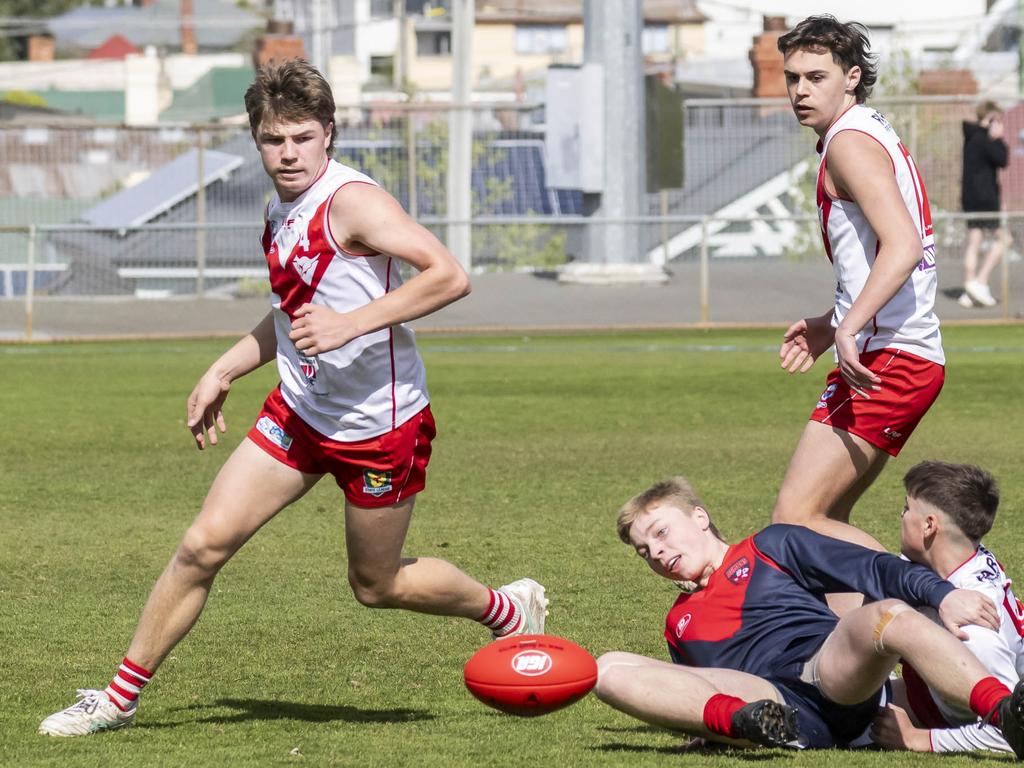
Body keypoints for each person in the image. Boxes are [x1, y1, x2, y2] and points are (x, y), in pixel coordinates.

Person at [38, 59, 547, 738]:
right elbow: (291, 314)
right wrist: (226, 368)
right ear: (257, 141)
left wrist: (350, 324)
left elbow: (450, 276)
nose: (288, 152)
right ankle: (116, 698)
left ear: (328, 134)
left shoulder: (354, 202)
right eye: (274, 139)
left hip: (378, 426)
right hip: (300, 412)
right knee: (201, 546)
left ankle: (505, 611)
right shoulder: (280, 206)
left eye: (302, 137)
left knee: (377, 586)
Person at [593, 475, 1024, 753]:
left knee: (888, 613)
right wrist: (700, 725)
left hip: (829, 673)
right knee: (607, 670)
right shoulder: (677, 623)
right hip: (770, 701)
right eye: (644, 551)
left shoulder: (771, 546)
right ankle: (748, 725)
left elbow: (873, 568)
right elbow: (688, 687)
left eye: (661, 533)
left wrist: (942, 594)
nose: (657, 552)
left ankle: (1005, 714)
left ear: (700, 517)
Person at [771, 16, 944, 545]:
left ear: (850, 77)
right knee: (823, 524)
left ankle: (940, 607)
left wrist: (849, 327)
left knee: (795, 522)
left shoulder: (849, 143)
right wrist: (833, 323)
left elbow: (904, 244)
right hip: (893, 352)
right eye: (793, 77)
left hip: (891, 356)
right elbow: (882, 255)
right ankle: (865, 629)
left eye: (816, 77)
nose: (801, 90)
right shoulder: (864, 129)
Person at [871, 461, 1024, 753]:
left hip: (945, 709)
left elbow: (1012, 731)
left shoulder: (973, 629)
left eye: (906, 509)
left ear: (929, 525)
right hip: (930, 691)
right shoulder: (959, 558)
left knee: (832, 717)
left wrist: (919, 739)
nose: (901, 516)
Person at [958, 100, 1010, 309]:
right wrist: (998, 140)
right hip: (984, 199)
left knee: (975, 240)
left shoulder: (971, 136)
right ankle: (979, 281)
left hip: (971, 198)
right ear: (989, 119)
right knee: (1004, 239)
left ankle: (970, 290)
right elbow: (1003, 159)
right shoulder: (985, 140)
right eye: (996, 120)